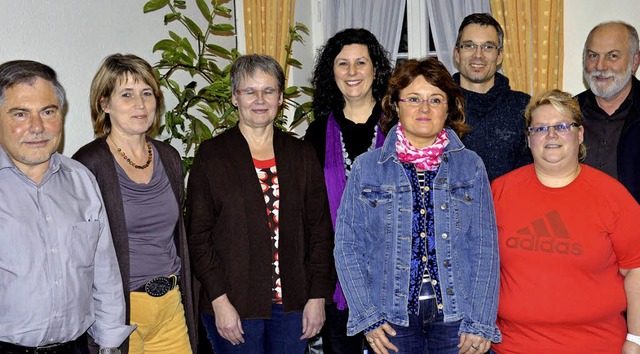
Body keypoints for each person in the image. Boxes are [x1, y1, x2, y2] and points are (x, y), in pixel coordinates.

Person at [334, 58, 501, 354]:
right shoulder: (367, 168)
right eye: (413, 99)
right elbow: (347, 246)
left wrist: (480, 321)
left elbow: (485, 248)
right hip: (390, 319)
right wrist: (367, 318)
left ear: (448, 108)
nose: (424, 109)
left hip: (457, 318)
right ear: (396, 106)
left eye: (435, 99)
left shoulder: (470, 166)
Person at [186, 54, 334, 354]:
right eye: (249, 91)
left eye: (268, 90)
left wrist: (317, 297)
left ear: (280, 98)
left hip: (294, 306)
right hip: (233, 306)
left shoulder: (301, 154)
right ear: (234, 97)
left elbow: (320, 232)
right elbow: (198, 237)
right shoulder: (212, 155)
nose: (259, 99)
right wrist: (219, 301)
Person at [491, 89, 640, 353]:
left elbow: (636, 270)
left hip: (597, 345)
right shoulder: (498, 192)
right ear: (528, 139)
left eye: (561, 126)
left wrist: (636, 339)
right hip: (514, 345)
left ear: (580, 134)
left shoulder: (612, 195)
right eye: (540, 129)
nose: (551, 135)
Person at [0, 60, 133, 353]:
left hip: (76, 347)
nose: (37, 127)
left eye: (48, 112)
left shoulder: (82, 180)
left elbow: (105, 274)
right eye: (20, 114)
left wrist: (110, 345)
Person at [73, 54, 196, 354]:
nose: (140, 105)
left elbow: (177, 236)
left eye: (147, 94)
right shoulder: (88, 164)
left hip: (169, 306)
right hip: (119, 316)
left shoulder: (169, 157)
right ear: (104, 104)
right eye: (126, 95)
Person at [304, 27, 392, 354]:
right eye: (343, 64)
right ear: (332, 72)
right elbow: (308, 214)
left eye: (361, 63)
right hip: (335, 280)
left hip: (394, 278)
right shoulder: (315, 134)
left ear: (375, 69)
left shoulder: (400, 131)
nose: (352, 72)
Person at [452, 13, 531, 181]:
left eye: (488, 47)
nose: (478, 55)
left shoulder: (524, 107)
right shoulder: (439, 106)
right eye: (469, 46)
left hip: (510, 205)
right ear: (457, 54)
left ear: (500, 55)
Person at [577, 21, 640, 203]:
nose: (600, 66)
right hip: (577, 226)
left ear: (634, 61)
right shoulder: (566, 113)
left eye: (612, 56)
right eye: (593, 55)